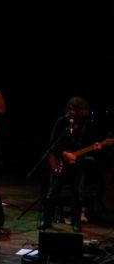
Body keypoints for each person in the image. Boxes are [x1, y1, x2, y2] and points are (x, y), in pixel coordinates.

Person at [39, 97, 101, 232]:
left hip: (77, 165)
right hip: (59, 162)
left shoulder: (87, 126)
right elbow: (53, 143)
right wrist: (64, 154)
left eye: (75, 110)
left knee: (77, 194)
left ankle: (76, 222)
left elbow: (89, 145)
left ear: (81, 111)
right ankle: (46, 220)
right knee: (52, 192)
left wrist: (94, 148)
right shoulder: (62, 122)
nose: (71, 112)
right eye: (70, 109)